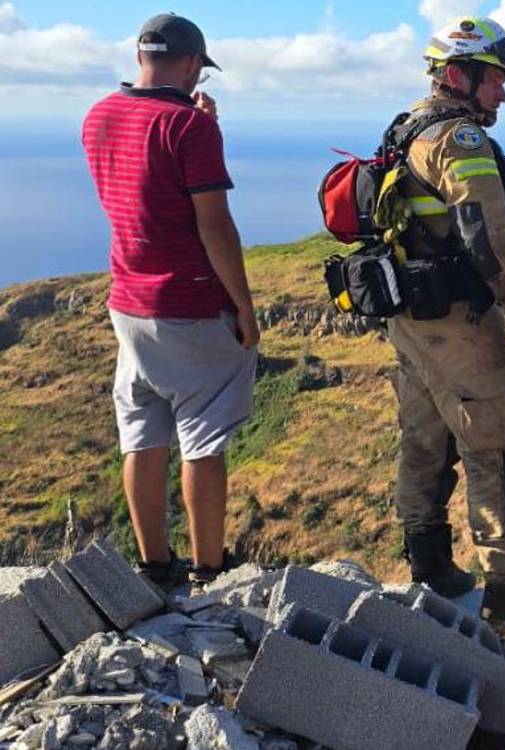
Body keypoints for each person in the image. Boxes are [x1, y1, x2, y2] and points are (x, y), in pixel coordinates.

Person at [384, 15, 505, 621]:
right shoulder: (461, 142)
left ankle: (429, 564)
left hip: (410, 319)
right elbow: (489, 241)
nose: (503, 93)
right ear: (458, 75)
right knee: (499, 449)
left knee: (425, 440)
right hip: (458, 323)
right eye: (494, 80)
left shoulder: (406, 129)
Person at [81, 13, 258, 590]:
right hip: (193, 307)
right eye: (198, 68)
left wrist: (197, 125)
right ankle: (209, 570)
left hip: (128, 303)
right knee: (202, 439)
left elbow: (141, 191)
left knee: (142, 433)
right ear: (188, 63)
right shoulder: (189, 127)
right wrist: (245, 307)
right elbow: (214, 227)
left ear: (140, 58)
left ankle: (154, 567)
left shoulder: (98, 116)